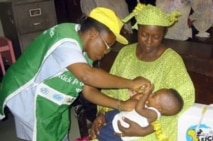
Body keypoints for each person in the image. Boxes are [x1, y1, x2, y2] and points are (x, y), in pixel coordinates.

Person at [0, 7, 151, 141]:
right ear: (93, 34)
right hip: (30, 93)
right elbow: (87, 75)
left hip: (50, 96)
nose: (106, 52)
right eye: (107, 45)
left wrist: (121, 105)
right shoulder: (65, 38)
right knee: (42, 132)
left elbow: (88, 90)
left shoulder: (84, 51)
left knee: (59, 129)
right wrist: (131, 83)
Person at [85, 3, 195, 141]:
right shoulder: (126, 53)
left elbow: (183, 103)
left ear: (164, 35)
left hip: (149, 130)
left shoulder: (171, 61)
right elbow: (110, 89)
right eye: (144, 35)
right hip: (117, 116)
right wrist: (102, 113)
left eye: (156, 37)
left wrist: (146, 130)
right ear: (137, 30)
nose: (149, 41)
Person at [97, 86, 184, 141]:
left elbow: (139, 109)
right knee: (109, 115)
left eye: (153, 95)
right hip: (119, 117)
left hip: (119, 130)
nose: (150, 95)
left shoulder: (154, 114)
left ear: (159, 108)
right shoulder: (150, 106)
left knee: (101, 133)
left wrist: (146, 94)